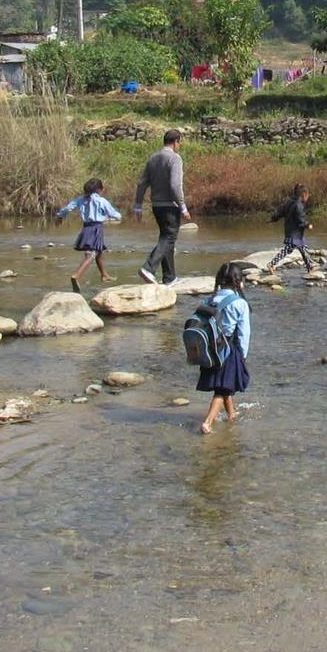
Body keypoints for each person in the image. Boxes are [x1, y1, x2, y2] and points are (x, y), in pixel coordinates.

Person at [196, 263, 252, 436]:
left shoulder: (210, 300)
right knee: (222, 389)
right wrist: (243, 354)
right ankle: (208, 422)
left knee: (224, 385)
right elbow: (244, 332)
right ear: (238, 281)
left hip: (209, 348)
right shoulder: (239, 303)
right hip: (228, 349)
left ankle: (232, 415)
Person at [132, 129, 190, 284]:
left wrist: (138, 206)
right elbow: (175, 185)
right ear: (176, 141)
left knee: (166, 238)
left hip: (156, 206)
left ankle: (169, 277)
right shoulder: (175, 158)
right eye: (180, 142)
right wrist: (183, 206)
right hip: (170, 206)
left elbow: (142, 183)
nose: (180, 145)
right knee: (169, 237)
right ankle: (149, 268)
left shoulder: (153, 158)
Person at [56, 178, 123, 292]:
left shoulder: (81, 199)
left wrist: (59, 216)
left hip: (86, 227)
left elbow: (68, 208)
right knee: (91, 255)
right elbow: (113, 214)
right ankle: (76, 275)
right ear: (99, 190)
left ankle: (104, 275)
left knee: (99, 251)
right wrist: (119, 216)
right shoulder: (101, 201)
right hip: (96, 228)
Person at [270, 184, 314, 270]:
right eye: (308, 196)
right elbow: (300, 218)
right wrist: (308, 225)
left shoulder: (289, 202)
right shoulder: (299, 205)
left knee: (303, 247)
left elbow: (280, 212)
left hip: (291, 230)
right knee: (289, 249)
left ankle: (310, 266)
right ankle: (272, 264)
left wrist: (274, 218)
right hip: (294, 232)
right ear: (304, 195)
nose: (307, 198)